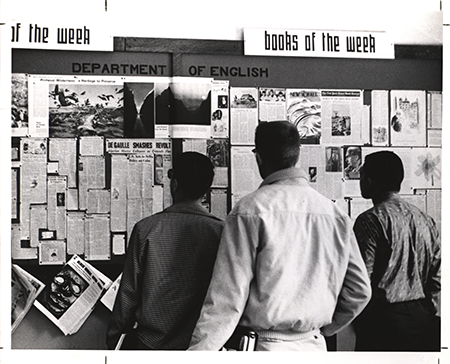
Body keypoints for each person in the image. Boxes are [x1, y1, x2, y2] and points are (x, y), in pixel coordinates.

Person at [188, 121, 371, 351]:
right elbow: (360, 290)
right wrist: (323, 329)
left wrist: (197, 355)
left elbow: (227, 298)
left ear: (259, 158)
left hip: (265, 346)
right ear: (296, 154)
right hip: (314, 347)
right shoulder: (335, 214)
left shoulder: (249, 210)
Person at [106, 152, 224, 350]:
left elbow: (128, 294)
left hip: (151, 346)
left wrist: (114, 338)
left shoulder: (146, 229)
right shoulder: (222, 233)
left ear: (175, 183)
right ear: (207, 189)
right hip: (201, 347)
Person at [353, 151, 441, 351]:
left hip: (382, 322)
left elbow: (361, 280)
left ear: (370, 180)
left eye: (363, 174)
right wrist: (428, 310)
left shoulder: (371, 220)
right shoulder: (425, 220)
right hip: (423, 319)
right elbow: (437, 276)